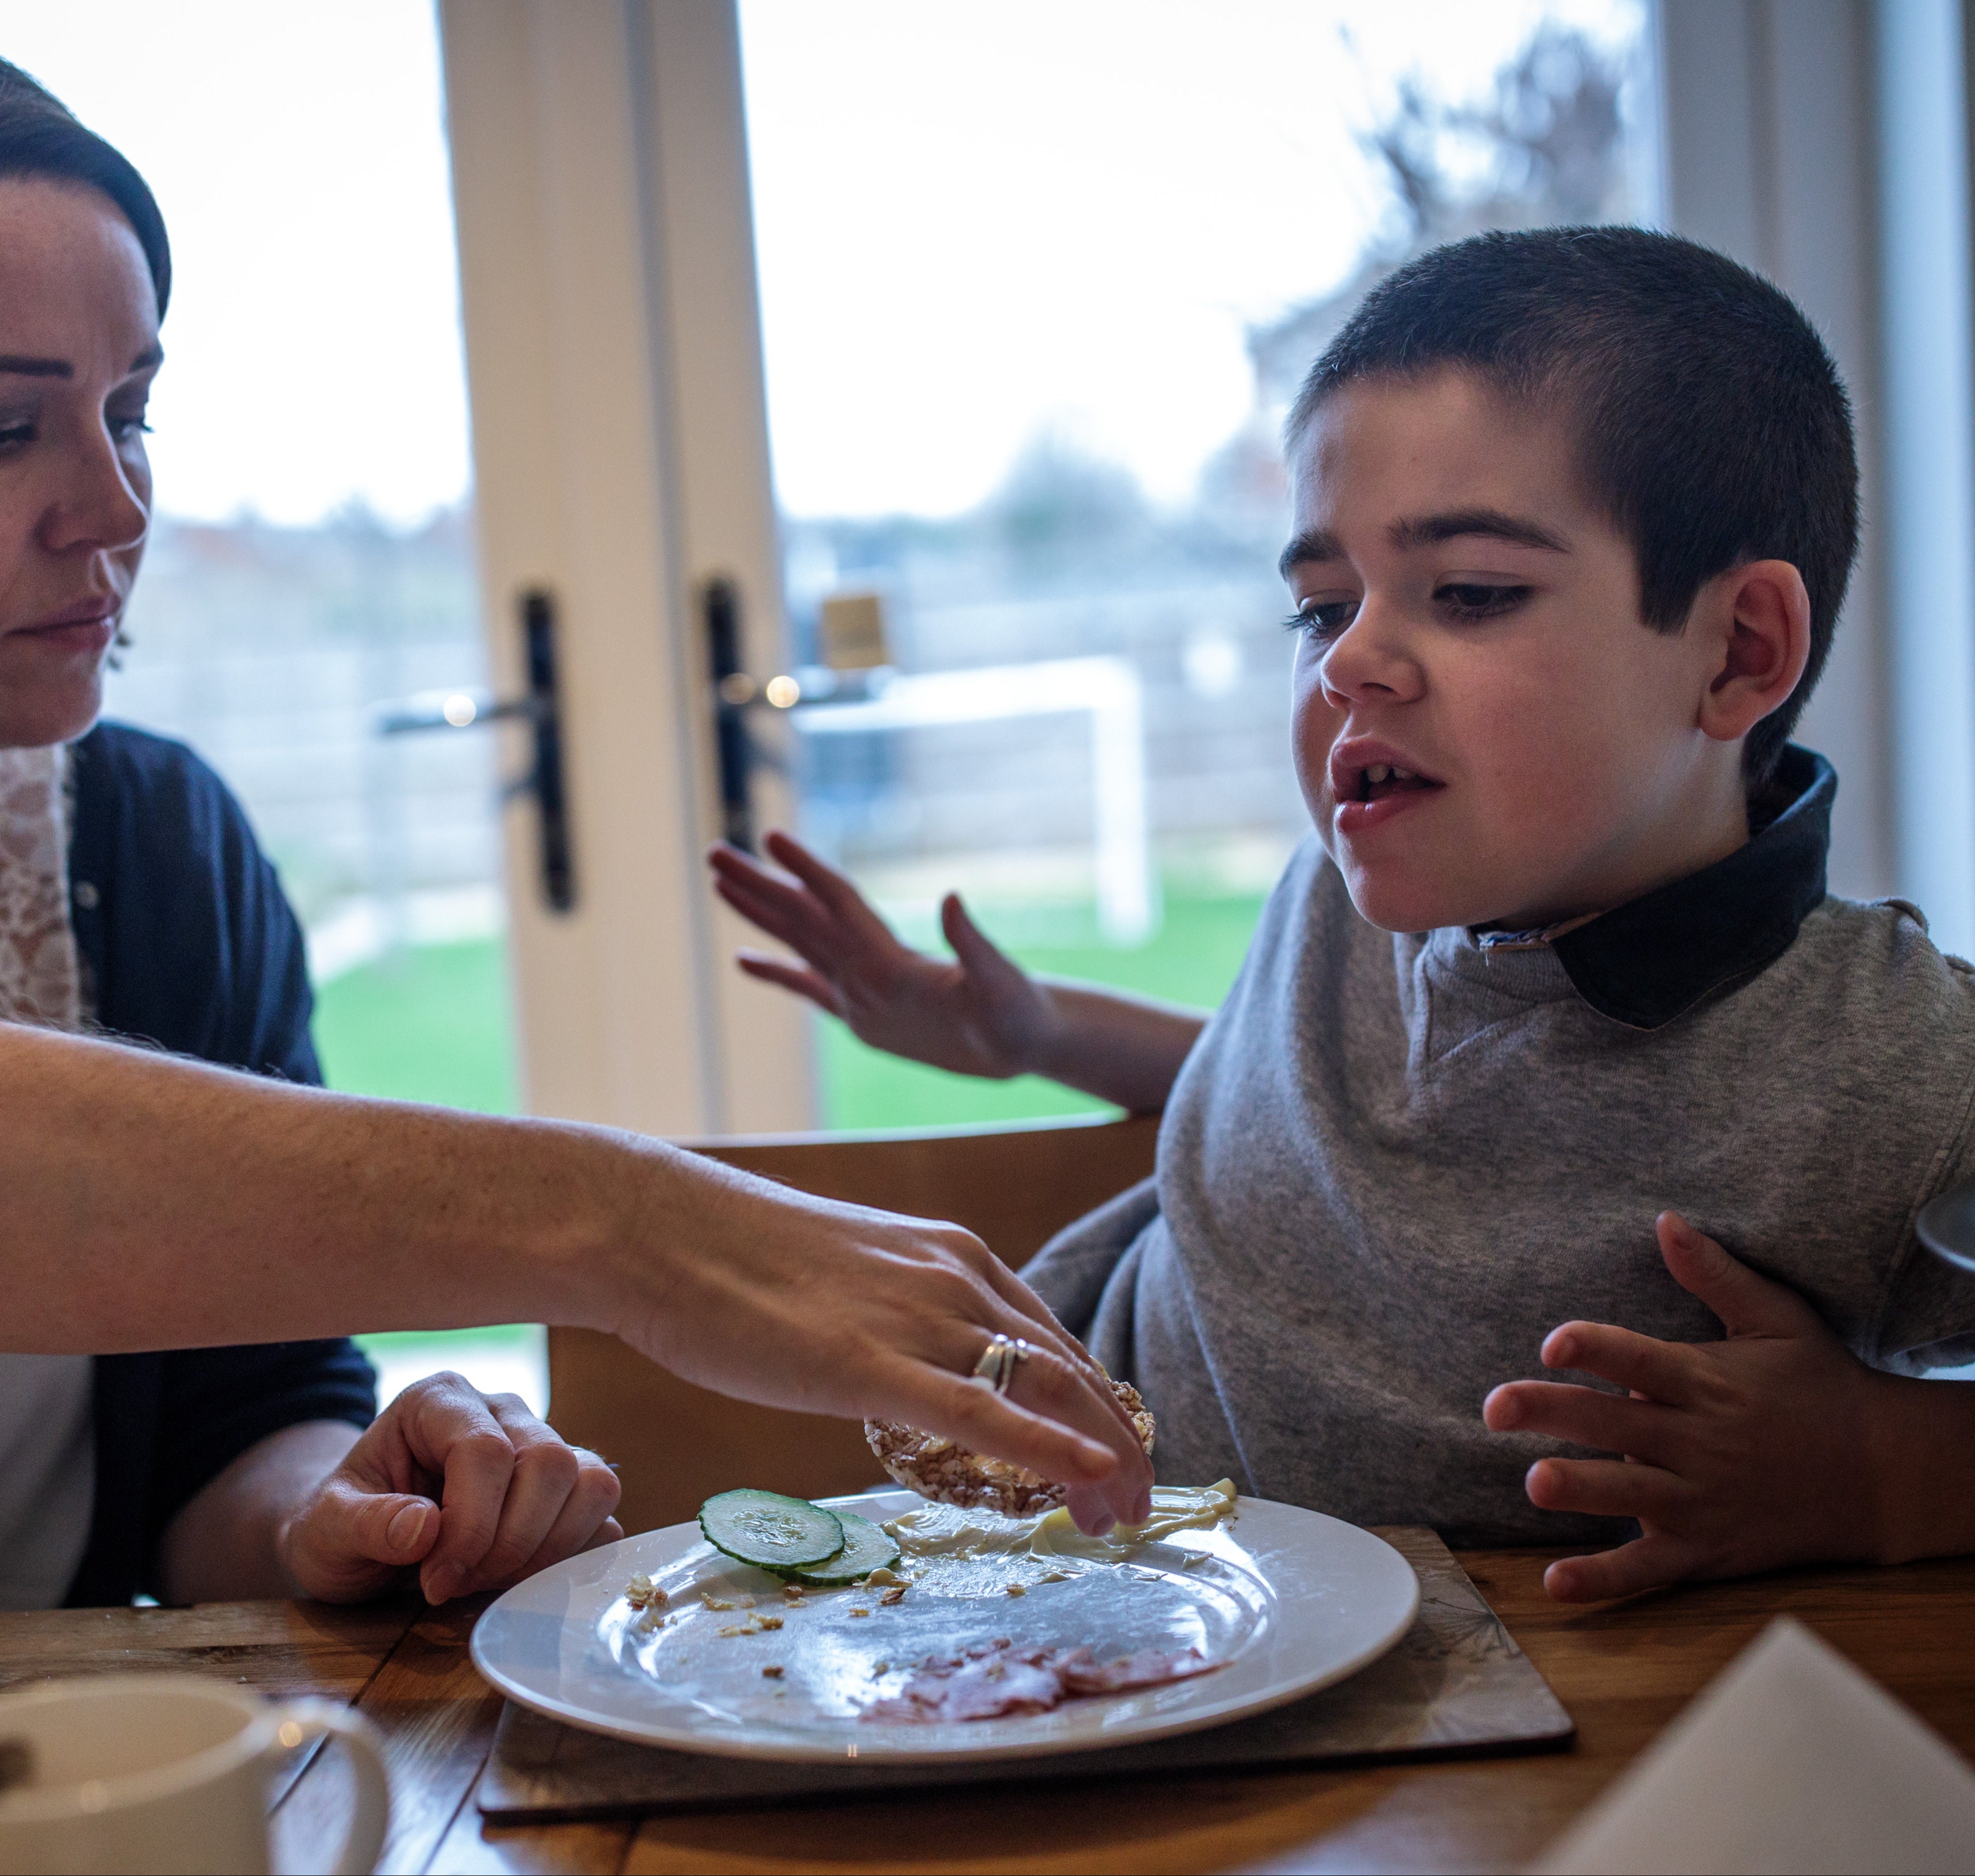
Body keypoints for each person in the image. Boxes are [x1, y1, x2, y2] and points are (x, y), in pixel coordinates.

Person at [0, 20, 1155, 1615]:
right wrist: (642, 1228)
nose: (117, 507)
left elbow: (230, 1429)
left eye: (129, 411)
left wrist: (340, 1506)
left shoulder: (160, 837)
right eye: (1, 430)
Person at [713, 226, 1975, 1600]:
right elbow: (1298, 1093)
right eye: (1320, 607)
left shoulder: (1902, 1075)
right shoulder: (1357, 882)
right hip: (1050, 1583)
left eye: (1473, 593)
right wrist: (1039, 1031)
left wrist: (1877, 1467)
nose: (1355, 659)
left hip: (1501, 1724)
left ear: (1739, 654)